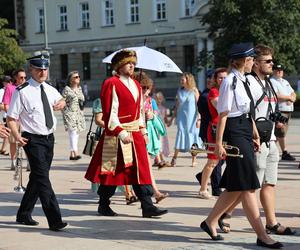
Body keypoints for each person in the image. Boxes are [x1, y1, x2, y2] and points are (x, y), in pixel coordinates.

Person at [200, 43, 282, 249]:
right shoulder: (229, 81)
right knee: (248, 186)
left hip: (245, 128)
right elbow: (224, 114)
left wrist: (253, 131)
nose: (253, 62)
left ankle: (210, 221)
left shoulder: (243, 79)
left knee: (237, 186)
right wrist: (219, 144)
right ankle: (262, 235)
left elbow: (248, 111)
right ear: (245, 61)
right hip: (234, 131)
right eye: (251, 60)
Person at [85, 49, 168, 218]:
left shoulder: (136, 85)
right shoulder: (111, 83)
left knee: (141, 170)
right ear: (119, 65)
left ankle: (147, 205)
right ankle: (103, 204)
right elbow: (109, 113)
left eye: (133, 63)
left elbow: (139, 112)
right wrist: (121, 133)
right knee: (114, 171)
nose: (132, 66)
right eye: (128, 63)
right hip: (117, 135)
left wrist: (143, 130)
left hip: (135, 133)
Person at [7, 51, 67, 231]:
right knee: (43, 180)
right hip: (32, 140)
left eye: (45, 69)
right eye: (39, 69)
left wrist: (62, 103)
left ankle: (23, 213)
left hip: (49, 138)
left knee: (37, 178)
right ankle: (55, 219)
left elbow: (61, 99)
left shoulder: (49, 89)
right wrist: (17, 136)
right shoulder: (22, 91)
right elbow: (11, 117)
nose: (43, 72)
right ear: (31, 70)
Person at [246, 44, 295, 235]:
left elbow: (270, 110)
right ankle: (223, 215)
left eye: (272, 61)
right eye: (268, 61)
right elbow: (246, 112)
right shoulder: (249, 83)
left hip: (271, 139)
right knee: (249, 187)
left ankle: (271, 222)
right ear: (256, 63)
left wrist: (278, 121)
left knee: (270, 183)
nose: (272, 65)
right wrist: (253, 135)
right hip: (257, 140)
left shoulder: (268, 83)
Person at [198, 68, 227, 199]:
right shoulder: (214, 92)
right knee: (213, 161)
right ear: (215, 79)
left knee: (223, 160)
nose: (222, 80)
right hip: (215, 129)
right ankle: (203, 189)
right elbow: (220, 108)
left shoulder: (227, 91)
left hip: (226, 129)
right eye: (220, 78)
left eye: (225, 78)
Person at [169, 72, 202, 167]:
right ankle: (174, 158)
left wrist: (198, 119)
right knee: (180, 136)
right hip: (182, 119)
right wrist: (171, 119)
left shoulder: (194, 90)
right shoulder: (179, 91)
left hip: (192, 119)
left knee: (193, 138)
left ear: (188, 80)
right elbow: (177, 106)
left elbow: (199, 106)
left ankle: (194, 159)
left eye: (182, 80)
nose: (181, 81)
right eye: (181, 80)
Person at [270, 64, 296, 161]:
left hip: (288, 110)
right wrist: (289, 97)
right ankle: (284, 152)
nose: (279, 71)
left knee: (280, 133)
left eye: (281, 70)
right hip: (280, 110)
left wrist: (292, 98)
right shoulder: (272, 81)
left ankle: (271, 151)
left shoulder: (285, 81)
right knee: (280, 132)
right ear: (273, 71)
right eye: (277, 70)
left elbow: (292, 92)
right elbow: (276, 95)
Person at [2, 69, 27, 170]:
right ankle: (13, 161)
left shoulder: (28, 88)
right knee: (13, 142)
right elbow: (6, 104)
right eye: (21, 77)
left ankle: (29, 162)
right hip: (14, 120)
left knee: (26, 141)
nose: (23, 79)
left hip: (26, 120)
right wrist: (12, 115)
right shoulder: (10, 88)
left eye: (25, 77)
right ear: (15, 78)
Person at [62, 71, 86, 160]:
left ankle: (72, 154)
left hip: (78, 114)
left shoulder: (79, 89)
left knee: (75, 133)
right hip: (70, 114)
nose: (78, 78)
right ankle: (75, 152)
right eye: (75, 77)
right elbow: (62, 101)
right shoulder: (66, 89)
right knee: (72, 132)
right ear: (71, 80)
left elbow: (82, 100)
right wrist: (64, 112)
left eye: (79, 76)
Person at [0, 76, 11, 155]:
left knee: (7, 133)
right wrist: (11, 110)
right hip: (6, 115)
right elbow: (0, 104)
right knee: (7, 133)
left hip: (8, 115)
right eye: (8, 82)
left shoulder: (9, 90)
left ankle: (3, 149)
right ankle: (3, 149)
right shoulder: (2, 91)